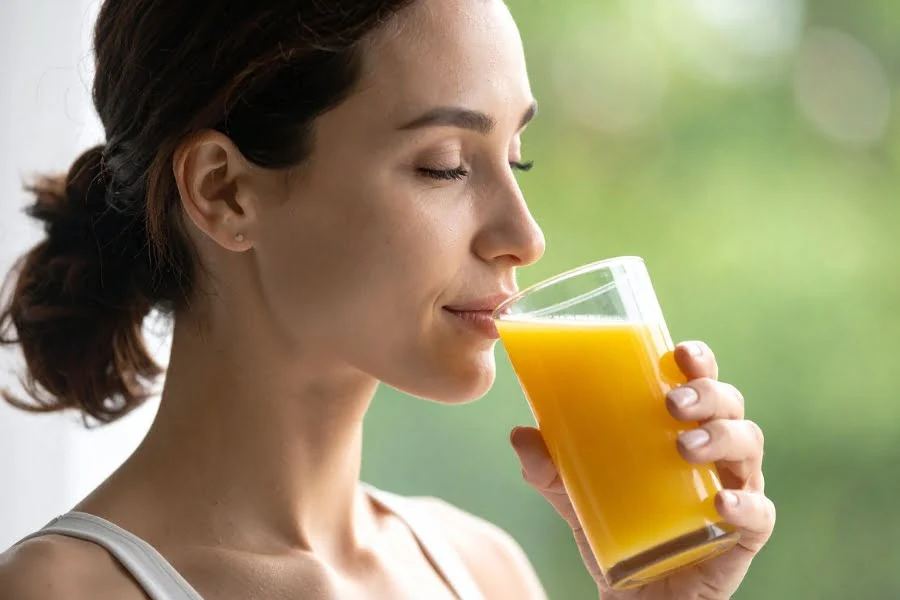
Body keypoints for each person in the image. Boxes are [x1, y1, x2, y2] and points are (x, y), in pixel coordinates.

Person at [0, 0, 775, 598]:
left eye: (517, 158)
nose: (524, 235)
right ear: (224, 191)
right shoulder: (64, 591)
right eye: (444, 165)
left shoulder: (484, 572)